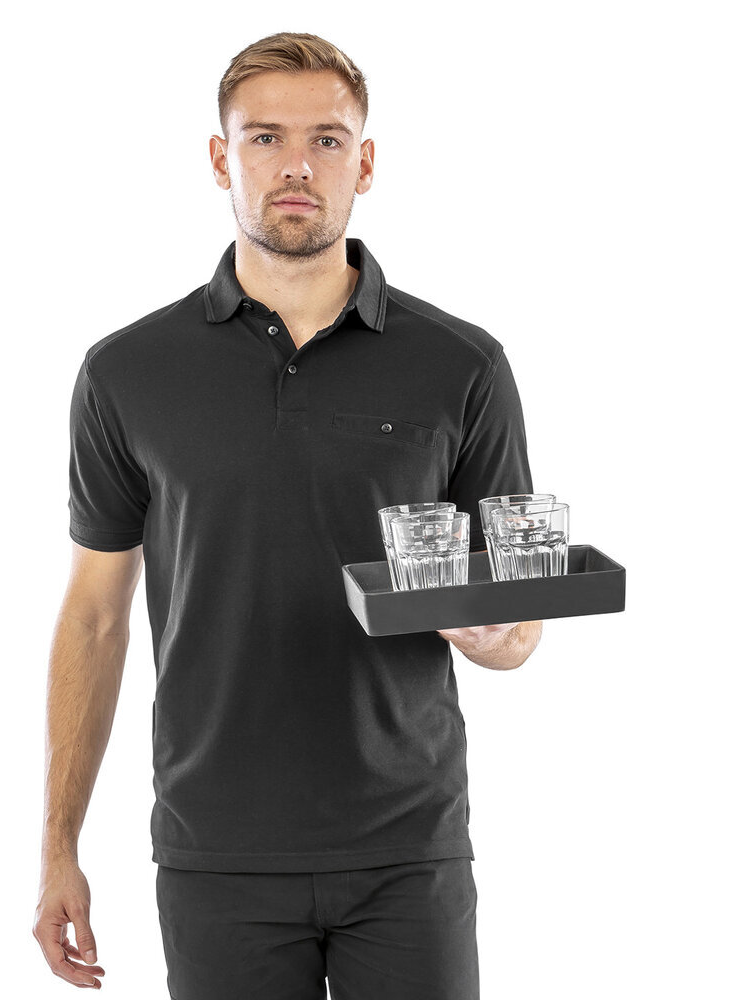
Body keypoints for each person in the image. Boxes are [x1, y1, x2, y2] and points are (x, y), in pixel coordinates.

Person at [32, 31, 542, 999]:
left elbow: (516, 621)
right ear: (220, 158)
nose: (296, 165)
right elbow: (94, 617)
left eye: (327, 140)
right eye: (264, 138)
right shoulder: (127, 371)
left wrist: (494, 636)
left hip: (408, 848)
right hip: (214, 851)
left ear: (366, 162)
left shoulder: (461, 364)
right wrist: (58, 846)